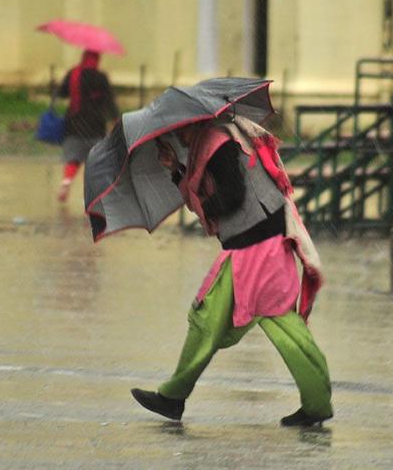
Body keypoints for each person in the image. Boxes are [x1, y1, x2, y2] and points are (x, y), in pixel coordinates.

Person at [130, 115, 333, 427]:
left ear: (194, 122)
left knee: (233, 320)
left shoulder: (218, 145)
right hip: (256, 244)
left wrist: (206, 206)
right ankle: (173, 397)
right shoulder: (210, 144)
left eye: (178, 128)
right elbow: (210, 193)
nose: (177, 136)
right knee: (246, 319)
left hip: (255, 248)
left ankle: (173, 398)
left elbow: (230, 197)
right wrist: (176, 169)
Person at [55, 50, 119, 202]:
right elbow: (109, 100)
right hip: (95, 124)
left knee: (73, 158)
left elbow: (62, 93)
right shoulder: (100, 77)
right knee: (96, 161)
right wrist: (115, 118)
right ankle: (93, 196)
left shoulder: (73, 74)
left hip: (73, 123)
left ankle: (66, 182)